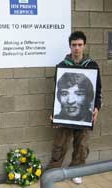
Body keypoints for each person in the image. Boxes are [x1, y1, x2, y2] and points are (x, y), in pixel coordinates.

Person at [46, 31, 102, 185]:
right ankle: (54, 172)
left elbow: (98, 90)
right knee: (60, 144)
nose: (76, 48)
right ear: (69, 46)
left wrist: (96, 108)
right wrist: (55, 113)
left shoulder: (92, 65)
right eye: (73, 45)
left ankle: (76, 171)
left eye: (79, 45)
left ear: (84, 46)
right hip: (65, 115)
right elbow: (57, 92)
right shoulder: (62, 66)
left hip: (84, 114)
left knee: (81, 145)